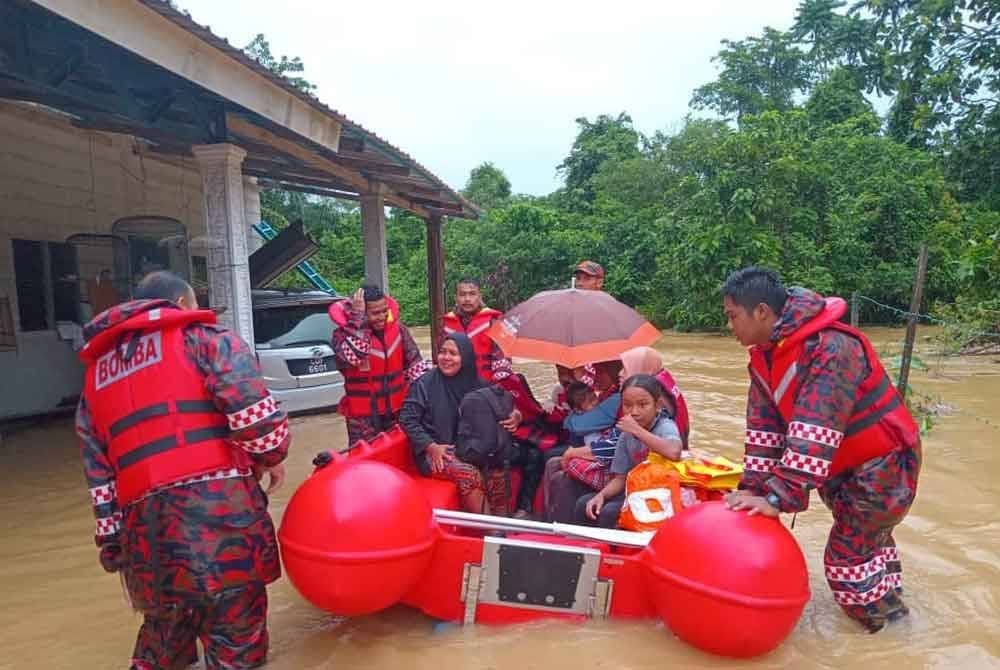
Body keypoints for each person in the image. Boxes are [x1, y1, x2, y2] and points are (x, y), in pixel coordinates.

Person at [75, 271, 290, 670]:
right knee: (236, 648)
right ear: (179, 305)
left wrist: (114, 548)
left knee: (161, 651)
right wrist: (272, 459)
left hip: (148, 548)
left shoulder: (95, 380)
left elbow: (100, 482)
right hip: (223, 530)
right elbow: (260, 427)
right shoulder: (205, 340)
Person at [721, 266, 921, 633]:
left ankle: (890, 638)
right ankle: (896, 618)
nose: (730, 327)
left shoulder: (832, 347)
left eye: (733, 317)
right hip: (845, 470)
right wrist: (752, 488)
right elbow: (763, 431)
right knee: (867, 547)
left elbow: (816, 428)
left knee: (845, 560)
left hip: (883, 465)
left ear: (761, 312)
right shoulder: (764, 357)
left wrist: (779, 496)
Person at [400, 334, 544, 515]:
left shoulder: (479, 384)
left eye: (453, 353)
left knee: (501, 461)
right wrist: (430, 446)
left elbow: (503, 406)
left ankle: (506, 521)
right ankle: (493, 534)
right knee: (470, 474)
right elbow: (407, 418)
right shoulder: (424, 384)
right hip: (438, 452)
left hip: (469, 447)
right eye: (442, 352)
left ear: (466, 358)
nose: (446, 358)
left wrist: (516, 415)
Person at [577, 374, 683, 528]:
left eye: (642, 404)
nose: (634, 412)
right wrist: (601, 495)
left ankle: (611, 551)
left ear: (658, 405)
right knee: (585, 503)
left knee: (609, 513)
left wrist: (637, 430)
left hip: (661, 494)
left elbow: (674, 452)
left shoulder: (664, 426)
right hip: (636, 489)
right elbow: (620, 479)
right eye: (627, 405)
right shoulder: (626, 435)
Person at [332, 284, 429, 445]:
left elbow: (416, 366)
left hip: (397, 411)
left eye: (384, 311)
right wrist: (357, 319)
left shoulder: (399, 330)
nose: (382, 316)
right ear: (362, 313)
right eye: (375, 313)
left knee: (402, 455)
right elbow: (355, 356)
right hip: (362, 420)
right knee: (365, 464)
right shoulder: (340, 336)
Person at [619, 346, 691, 448]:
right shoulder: (658, 385)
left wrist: (635, 429)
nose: (620, 373)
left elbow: (673, 449)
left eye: (625, 369)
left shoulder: (657, 399)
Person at [441, 277, 509, 381]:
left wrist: (498, 385)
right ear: (456, 298)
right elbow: (441, 359)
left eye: (472, 294)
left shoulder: (493, 321)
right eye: (462, 294)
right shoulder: (446, 325)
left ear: (479, 296)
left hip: (486, 387)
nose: (467, 299)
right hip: (454, 386)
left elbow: (502, 359)